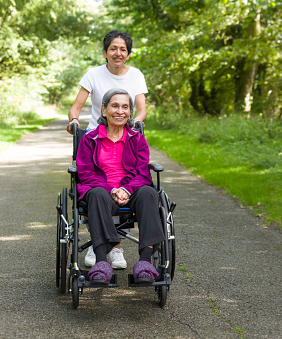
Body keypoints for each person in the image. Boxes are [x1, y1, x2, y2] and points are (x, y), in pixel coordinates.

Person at [67, 30, 148, 269]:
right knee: (99, 186)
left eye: (123, 49)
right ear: (105, 52)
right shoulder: (93, 74)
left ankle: (113, 247)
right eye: (113, 48)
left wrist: (134, 121)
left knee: (131, 182)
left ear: (128, 54)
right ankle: (102, 244)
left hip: (126, 132)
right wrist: (73, 121)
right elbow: (76, 108)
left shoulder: (136, 75)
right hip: (96, 138)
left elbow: (141, 110)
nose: (118, 53)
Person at [75, 88, 164, 284]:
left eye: (125, 107)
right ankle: (100, 263)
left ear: (130, 112)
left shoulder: (137, 139)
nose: (120, 111)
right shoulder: (89, 140)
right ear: (104, 109)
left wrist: (125, 189)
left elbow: (142, 172)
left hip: (130, 191)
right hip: (101, 192)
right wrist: (111, 190)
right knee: (97, 194)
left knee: (149, 193)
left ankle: (145, 262)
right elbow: (86, 173)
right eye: (114, 106)